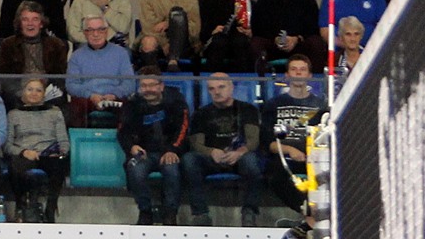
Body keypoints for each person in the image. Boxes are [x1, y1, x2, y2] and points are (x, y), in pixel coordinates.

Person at [182, 73, 263, 227]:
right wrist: (211, 152)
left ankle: (249, 212)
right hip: (212, 158)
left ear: (231, 88)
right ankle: (201, 214)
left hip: (240, 157)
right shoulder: (201, 114)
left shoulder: (247, 109)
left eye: (221, 87)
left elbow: (253, 140)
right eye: (212, 89)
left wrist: (239, 152)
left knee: (252, 161)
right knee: (189, 159)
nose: (217, 92)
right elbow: (196, 144)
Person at [119, 68, 189, 226]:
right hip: (144, 153)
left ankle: (170, 213)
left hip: (169, 151)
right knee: (135, 170)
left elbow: (183, 128)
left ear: (161, 86)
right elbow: (122, 132)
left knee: (172, 170)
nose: (148, 89)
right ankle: (145, 211)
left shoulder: (176, 100)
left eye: (152, 85)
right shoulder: (132, 104)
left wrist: (172, 150)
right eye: (144, 85)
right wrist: (132, 147)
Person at [260, 54, 325, 213]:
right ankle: (306, 213)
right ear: (287, 75)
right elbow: (267, 142)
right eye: (294, 69)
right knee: (274, 174)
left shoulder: (320, 106)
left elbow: (324, 139)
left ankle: (313, 214)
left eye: (302, 70)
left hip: (313, 156)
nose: (298, 73)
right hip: (283, 156)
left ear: (309, 75)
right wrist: (290, 150)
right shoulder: (273, 105)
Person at [3, 77, 69, 223]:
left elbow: (64, 142)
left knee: (60, 165)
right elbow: (7, 145)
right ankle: (21, 205)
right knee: (15, 166)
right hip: (24, 154)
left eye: (38, 90)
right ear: (23, 93)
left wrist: (60, 152)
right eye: (30, 89)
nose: (34, 93)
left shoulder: (55, 112)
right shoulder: (13, 114)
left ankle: (50, 210)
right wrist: (23, 152)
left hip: (48, 154)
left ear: (44, 94)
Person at [251, 0, 326, 70]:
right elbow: (258, 30)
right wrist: (275, 39)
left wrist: (296, 39)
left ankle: (316, 80)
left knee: (316, 42)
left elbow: (313, 29)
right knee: (256, 43)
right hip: (272, 47)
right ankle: (259, 80)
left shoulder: (308, 2)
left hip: (300, 47)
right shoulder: (263, 3)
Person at [0, 1, 68, 105]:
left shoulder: (56, 45)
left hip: (47, 93)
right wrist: (22, 95)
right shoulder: (8, 45)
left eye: (35, 19)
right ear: (20, 23)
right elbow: (5, 78)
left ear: (41, 23)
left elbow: (60, 77)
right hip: (17, 94)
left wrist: (43, 95)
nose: (30, 24)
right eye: (25, 19)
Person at [66, 17, 135, 127]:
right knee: (75, 107)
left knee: (130, 108)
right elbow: (71, 85)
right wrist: (90, 95)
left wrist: (114, 94)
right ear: (84, 33)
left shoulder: (121, 53)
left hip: (114, 98)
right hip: (87, 100)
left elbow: (130, 83)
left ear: (107, 31)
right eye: (90, 30)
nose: (96, 34)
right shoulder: (76, 56)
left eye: (100, 29)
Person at [197, 0, 259, 74]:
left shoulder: (248, 3)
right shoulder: (206, 2)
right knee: (219, 41)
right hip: (215, 45)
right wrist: (212, 32)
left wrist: (250, 32)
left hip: (240, 45)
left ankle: (243, 83)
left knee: (240, 41)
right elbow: (202, 34)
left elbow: (256, 32)